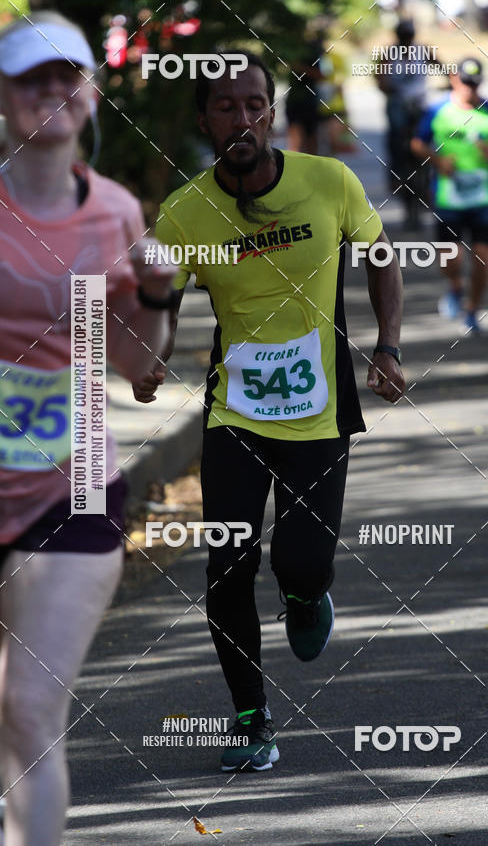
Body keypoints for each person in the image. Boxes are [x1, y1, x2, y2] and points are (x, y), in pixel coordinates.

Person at [132, 51, 405, 773]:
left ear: (271, 112)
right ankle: (251, 720)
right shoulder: (188, 210)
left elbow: (380, 255)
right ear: (204, 120)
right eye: (226, 107)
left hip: (318, 410)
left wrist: (389, 346)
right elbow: (158, 295)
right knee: (227, 565)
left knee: (301, 561)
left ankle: (307, 592)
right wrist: (149, 355)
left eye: (255, 104)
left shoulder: (328, 182)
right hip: (234, 414)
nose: (243, 118)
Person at [0, 12, 175, 846]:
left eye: (67, 75)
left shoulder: (115, 212)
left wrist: (160, 295)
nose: (52, 91)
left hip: (71, 486)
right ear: (2, 96)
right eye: (32, 76)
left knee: (30, 712)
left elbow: (142, 363)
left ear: (91, 93)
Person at [411, 58, 488, 334]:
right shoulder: (437, 110)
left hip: (483, 199)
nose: (469, 88)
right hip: (448, 197)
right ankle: (454, 286)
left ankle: (472, 308)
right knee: (450, 258)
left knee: (483, 259)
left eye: (474, 84)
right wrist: (437, 161)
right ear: (454, 79)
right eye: (465, 82)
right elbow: (417, 142)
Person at [376, 19, 429, 227]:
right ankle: (396, 175)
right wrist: (388, 88)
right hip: (398, 104)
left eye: (409, 37)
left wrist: (450, 83)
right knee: (397, 143)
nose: (407, 41)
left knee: (428, 138)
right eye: (404, 37)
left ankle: (427, 183)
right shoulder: (389, 54)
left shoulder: (423, 51)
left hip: (419, 105)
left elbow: (442, 67)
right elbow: (380, 78)